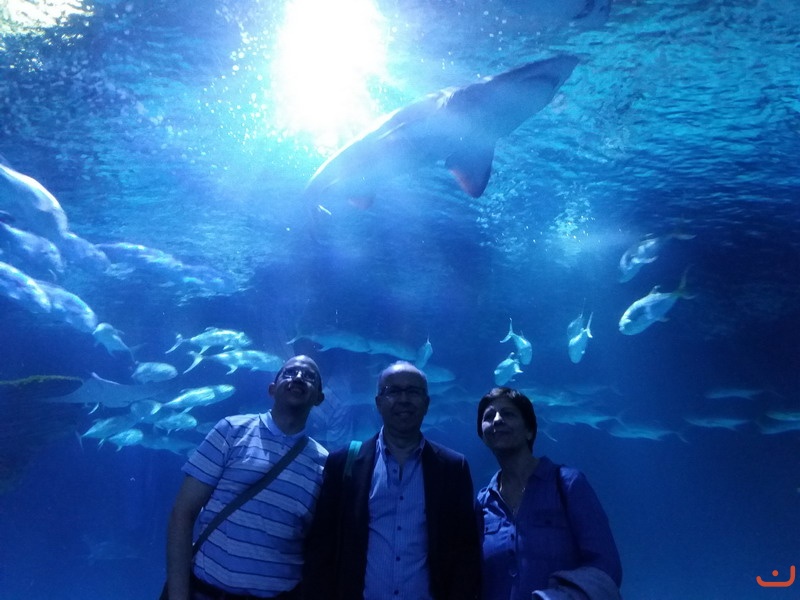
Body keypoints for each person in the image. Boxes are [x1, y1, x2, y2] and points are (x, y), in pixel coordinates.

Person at [302, 361, 481, 600]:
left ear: (426, 403)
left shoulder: (453, 468)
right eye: (393, 391)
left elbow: (465, 550)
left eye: (413, 391)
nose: (403, 399)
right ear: (378, 402)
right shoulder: (343, 463)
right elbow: (322, 545)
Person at [166, 355, 328, 600]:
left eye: (309, 377)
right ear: (272, 389)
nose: (298, 378)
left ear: (319, 398)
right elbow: (182, 513)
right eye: (289, 372)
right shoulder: (230, 431)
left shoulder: (324, 462)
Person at [476, 387, 623, 600]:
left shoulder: (568, 484)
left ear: (530, 430)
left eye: (508, 414)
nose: (497, 420)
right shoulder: (482, 502)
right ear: (483, 436)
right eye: (489, 417)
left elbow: (606, 565)